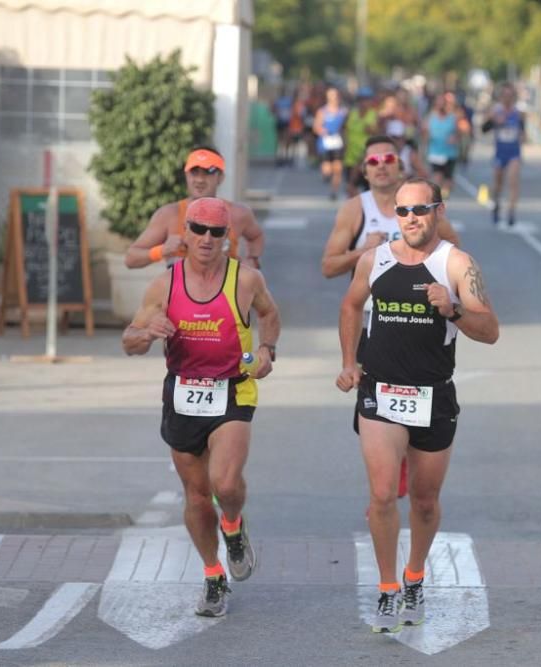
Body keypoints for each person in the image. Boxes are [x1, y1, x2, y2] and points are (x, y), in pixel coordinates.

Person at [335, 177, 499, 633]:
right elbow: (351, 307)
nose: (410, 219)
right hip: (380, 393)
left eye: (420, 211)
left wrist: (454, 310)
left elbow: (491, 330)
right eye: (403, 212)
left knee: (424, 502)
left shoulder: (457, 264)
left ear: (438, 211)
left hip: (433, 396)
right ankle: (387, 588)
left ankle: (414, 577)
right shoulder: (375, 259)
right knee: (383, 495)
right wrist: (350, 362)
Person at [122, 197, 281, 617]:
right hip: (182, 394)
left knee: (224, 484)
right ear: (186, 233)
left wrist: (267, 349)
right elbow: (130, 341)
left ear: (228, 238)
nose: (207, 239)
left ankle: (233, 525)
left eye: (217, 232)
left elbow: (270, 315)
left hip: (233, 389)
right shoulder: (165, 284)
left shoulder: (245, 280)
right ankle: (213, 575)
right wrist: (146, 334)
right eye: (199, 229)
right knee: (195, 496)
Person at [322, 137, 459, 503]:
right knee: (378, 409)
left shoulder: (422, 209)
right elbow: (328, 266)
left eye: (388, 159)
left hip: (420, 322)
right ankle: (386, 483)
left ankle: (399, 469)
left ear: (401, 166)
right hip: (372, 322)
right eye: (373, 161)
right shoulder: (355, 209)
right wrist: (361, 252)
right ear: (364, 170)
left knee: (412, 398)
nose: (381, 165)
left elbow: (455, 256)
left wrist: (450, 299)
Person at [124, 147, 264, 270]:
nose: (200, 180)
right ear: (186, 175)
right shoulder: (169, 215)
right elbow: (131, 259)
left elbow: (256, 236)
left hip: (226, 296)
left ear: (220, 177)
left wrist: (253, 259)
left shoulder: (238, 213)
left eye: (207, 172)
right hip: (181, 297)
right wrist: (162, 250)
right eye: (194, 172)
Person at [483, 82, 526, 227]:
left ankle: (511, 212)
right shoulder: (495, 111)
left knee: (513, 182)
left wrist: (522, 137)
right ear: (501, 97)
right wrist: (493, 121)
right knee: (498, 183)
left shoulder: (518, 113)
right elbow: (484, 129)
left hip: (514, 152)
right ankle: (496, 206)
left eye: (510, 96)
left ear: (514, 97)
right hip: (500, 152)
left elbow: (523, 132)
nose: (508, 98)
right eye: (505, 95)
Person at [342, 88, 380, 197]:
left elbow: (380, 133)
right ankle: (355, 209)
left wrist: (373, 130)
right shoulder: (351, 114)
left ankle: (367, 210)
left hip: (367, 157)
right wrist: (344, 142)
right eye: (361, 100)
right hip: (351, 157)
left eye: (367, 100)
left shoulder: (374, 115)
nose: (364, 103)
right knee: (351, 187)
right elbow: (343, 128)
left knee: (368, 188)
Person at [423, 92, 461, 200]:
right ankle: (438, 199)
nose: (440, 105)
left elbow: (459, 133)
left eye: (443, 103)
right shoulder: (430, 118)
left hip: (449, 154)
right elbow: (424, 134)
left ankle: (444, 197)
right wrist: (427, 137)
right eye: (438, 103)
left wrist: (455, 138)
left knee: (448, 181)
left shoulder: (453, 118)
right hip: (435, 153)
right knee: (437, 177)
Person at [313, 87, 349, 200]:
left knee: (338, 169)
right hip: (325, 143)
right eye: (331, 96)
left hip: (338, 142)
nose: (334, 98)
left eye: (335, 96)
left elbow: (346, 127)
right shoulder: (322, 111)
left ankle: (334, 191)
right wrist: (322, 131)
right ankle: (325, 175)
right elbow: (316, 127)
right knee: (327, 169)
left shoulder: (343, 111)